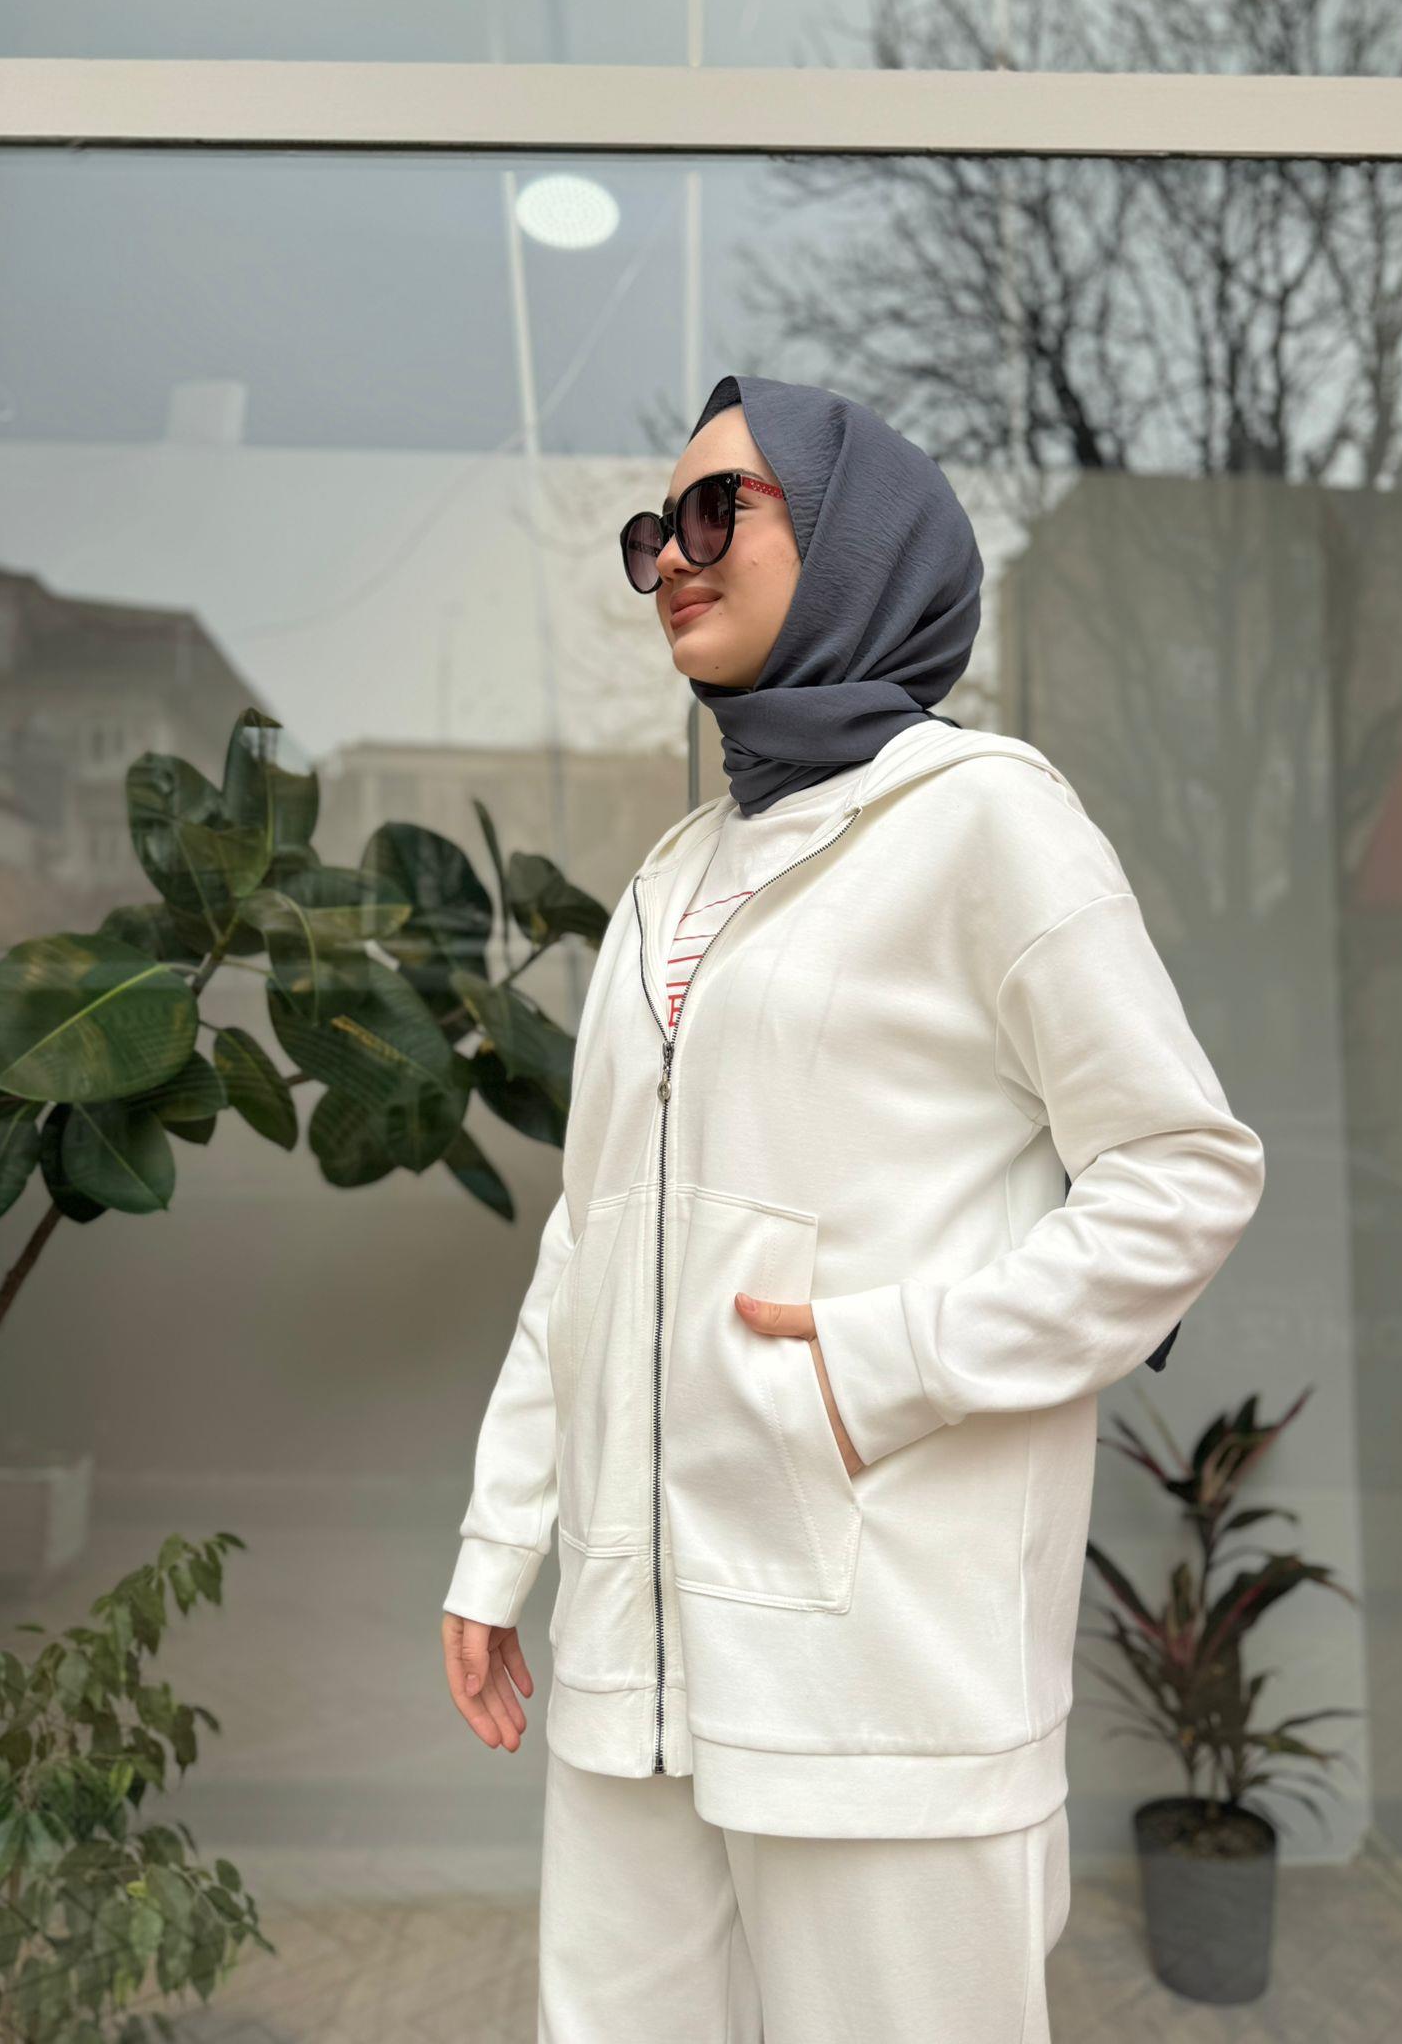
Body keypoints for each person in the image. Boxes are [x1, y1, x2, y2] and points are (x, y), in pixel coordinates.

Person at [440, 373, 1267, 2043]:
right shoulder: (670, 878)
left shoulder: (986, 821)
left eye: (717, 510)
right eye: (651, 533)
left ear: (859, 539)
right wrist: (500, 1540)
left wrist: (880, 1365)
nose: (673, 557)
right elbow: (590, 1239)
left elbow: (1182, 1175)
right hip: (632, 1662)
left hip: (884, 1673)